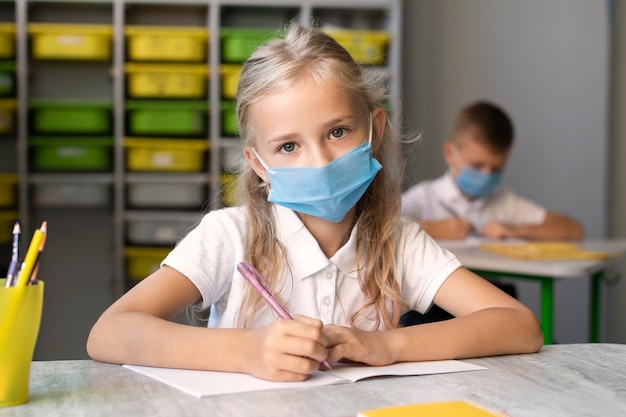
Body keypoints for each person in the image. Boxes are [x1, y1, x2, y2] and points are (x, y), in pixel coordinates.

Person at [87, 23, 543, 382]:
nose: (320, 160)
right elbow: (110, 332)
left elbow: (518, 325)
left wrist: (387, 346)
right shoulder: (229, 235)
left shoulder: (400, 240)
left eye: (338, 132)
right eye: (288, 146)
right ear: (259, 164)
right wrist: (247, 352)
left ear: (375, 130)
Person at [401, 101, 584, 241]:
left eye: (496, 168)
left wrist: (517, 230)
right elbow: (377, 227)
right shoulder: (424, 197)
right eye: (476, 166)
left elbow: (573, 229)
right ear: (450, 153)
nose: (486, 175)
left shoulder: (505, 203)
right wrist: (432, 229)